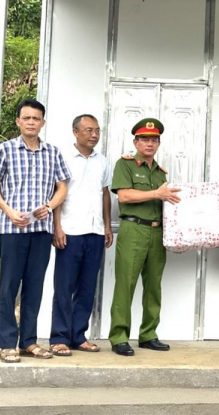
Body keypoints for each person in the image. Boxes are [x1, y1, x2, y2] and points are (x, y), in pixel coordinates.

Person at [0, 98, 71, 363]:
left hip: (40, 230)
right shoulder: (4, 150)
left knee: (35, 286)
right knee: (9, 286)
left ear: (43, 122)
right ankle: (6, 342)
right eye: (26, 118)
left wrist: (49, 207)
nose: (30, 122)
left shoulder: (53, 152)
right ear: (18, 121)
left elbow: (62, 187)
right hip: (11, 229)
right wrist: (8, 211)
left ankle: (28, 341)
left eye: (35, 118)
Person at [109, 118, 181, 356]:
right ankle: (119, 336)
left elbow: (168, 203)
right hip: (133, 230)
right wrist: (156, 193)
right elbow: (124, 197)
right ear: (135, 142)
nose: (149, 144)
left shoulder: (161, 173)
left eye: (154, 140)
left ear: (158, 143)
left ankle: (148, 334)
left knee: (153, 286)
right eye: (145, 139)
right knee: (125, 284)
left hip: (157, 231)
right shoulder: (125, 165)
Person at [49, 114, 113, 356]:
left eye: (97, 130)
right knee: (64, 287)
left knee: (87, 288)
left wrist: (107, 226)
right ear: (75, 132)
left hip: (95, 233)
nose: (94, 134)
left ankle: (78, 336)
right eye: (88, 130)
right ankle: (59, 337)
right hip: (70, 231)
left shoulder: (103, 161)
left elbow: (105, 194)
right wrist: (57, 227)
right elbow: (57, 193)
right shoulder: (62, 158)